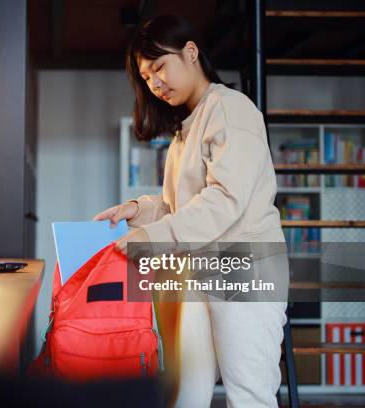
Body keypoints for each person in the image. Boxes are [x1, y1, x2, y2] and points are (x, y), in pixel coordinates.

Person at [93, 15, 289, 408]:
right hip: (199, 269)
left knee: (249, 395)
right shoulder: (188, 125)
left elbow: (225, 201)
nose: (155, 84)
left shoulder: (231, 109)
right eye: (146, 78)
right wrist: (141, 209)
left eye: (159, 67)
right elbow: (182, 206)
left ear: (191, 51)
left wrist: (153, 237)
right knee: (186, 393)